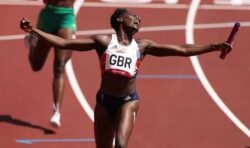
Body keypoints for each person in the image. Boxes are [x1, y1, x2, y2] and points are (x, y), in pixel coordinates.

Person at [20, 8, 232, 148]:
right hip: (103, 103)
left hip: (127, 102)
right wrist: (34, 30)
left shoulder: (142, 46)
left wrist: (214, 46)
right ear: (120, 19)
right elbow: (63, 43)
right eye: (134, 16)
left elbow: (181, 49)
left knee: (120, 145)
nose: (139, 19)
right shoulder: (103, 41)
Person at [24, 0, 78, 128]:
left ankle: (57, 111)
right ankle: (32, 42)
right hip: (48, 17)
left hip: (66, 18)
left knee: (60, 67)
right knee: (36, 65)